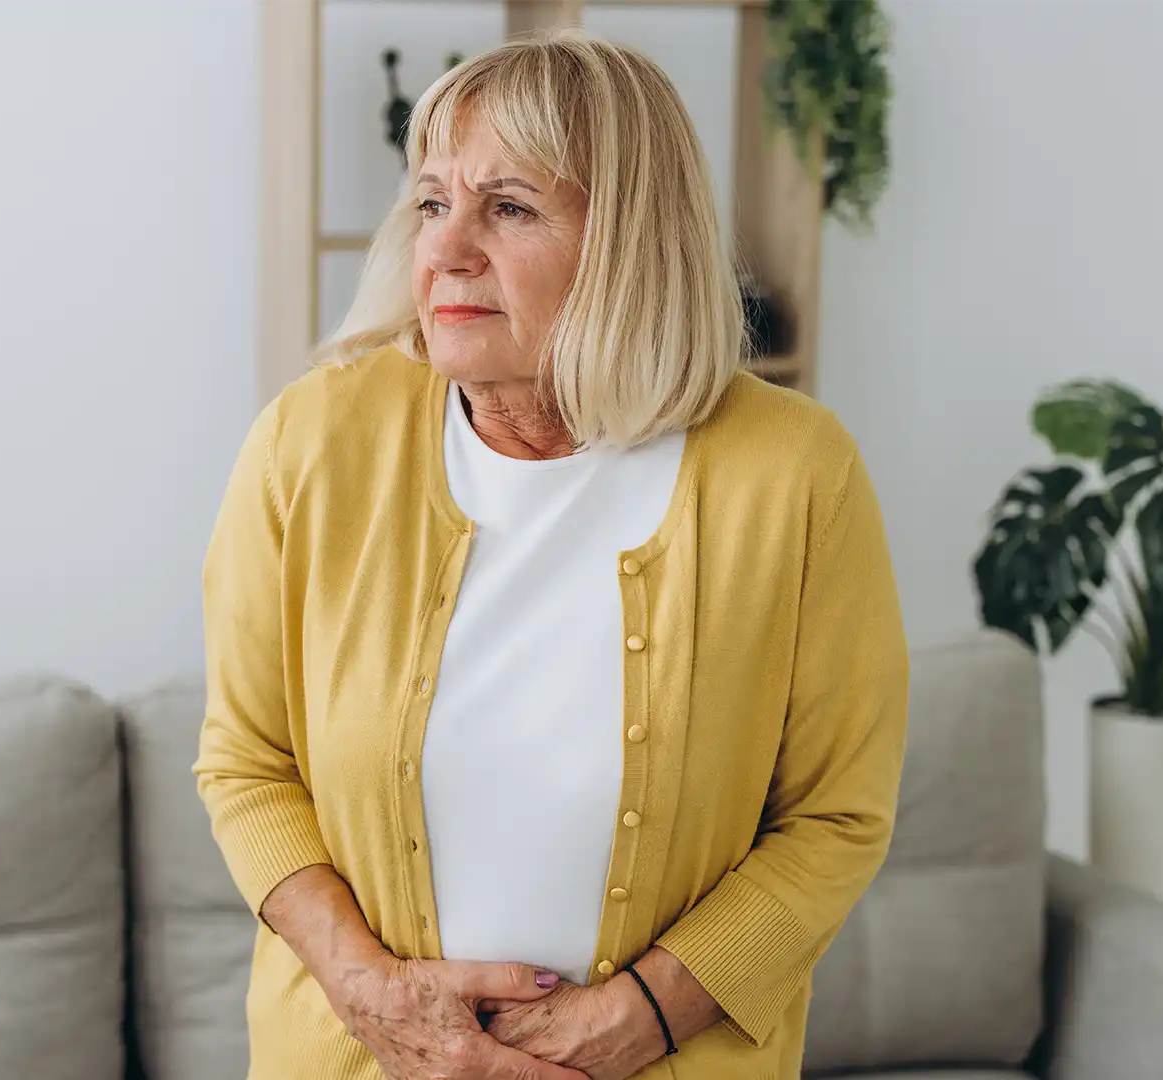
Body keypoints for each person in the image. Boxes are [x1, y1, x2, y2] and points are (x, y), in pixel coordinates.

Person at [196, 29, 907, 1080]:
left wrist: (639, 1021)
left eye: (510, 207)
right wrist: (373, 995)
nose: (445, 249)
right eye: (434, 201)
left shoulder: (796, 476)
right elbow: (246, 766)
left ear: (628, 239)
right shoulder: (310, 445)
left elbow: (837, 817)